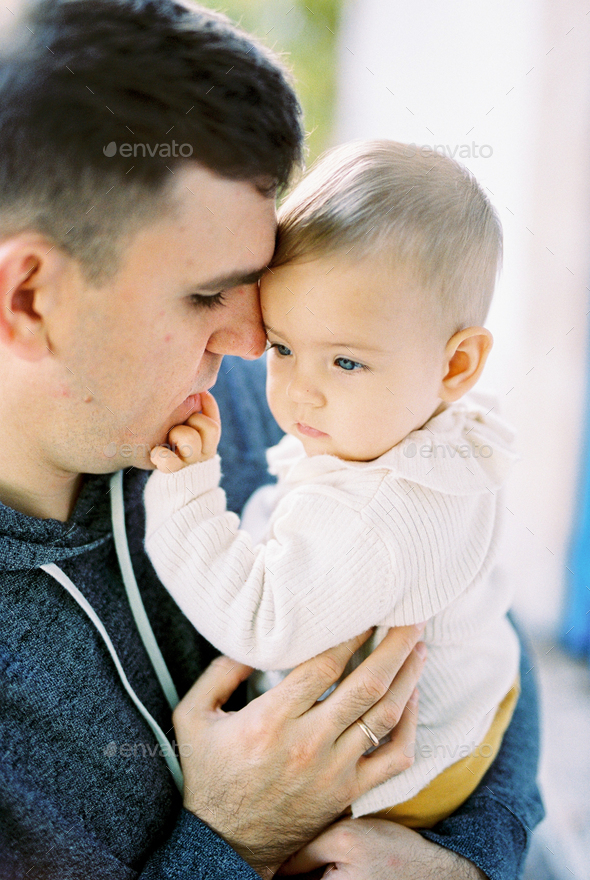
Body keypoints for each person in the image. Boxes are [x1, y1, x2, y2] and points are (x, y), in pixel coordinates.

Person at [0, 1, 543, 878]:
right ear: (29, 298)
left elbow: (479, 622)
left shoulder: (265, 391)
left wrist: (470, 863)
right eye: (208, 294)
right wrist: (230, 841)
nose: (258, 345)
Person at [146, 140, 520, 828]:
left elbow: (259, 620)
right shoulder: (434, 431)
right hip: (483, 690)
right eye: (284, 347)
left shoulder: (374, 512)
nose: (298, 394)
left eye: (346, 362)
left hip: (409, 769)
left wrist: (185, 493)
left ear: (456, 364)